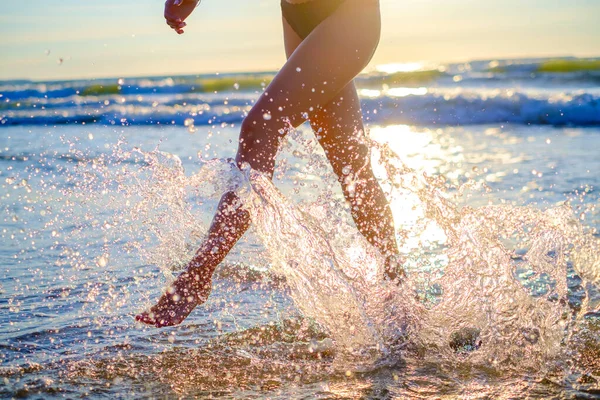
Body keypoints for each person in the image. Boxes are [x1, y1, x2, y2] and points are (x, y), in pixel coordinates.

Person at [136, 0, 404, 327]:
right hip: (297, 15)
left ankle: (196, 278)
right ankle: (402, 296)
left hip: (349, 15)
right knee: (352, 169)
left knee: (259, 129)